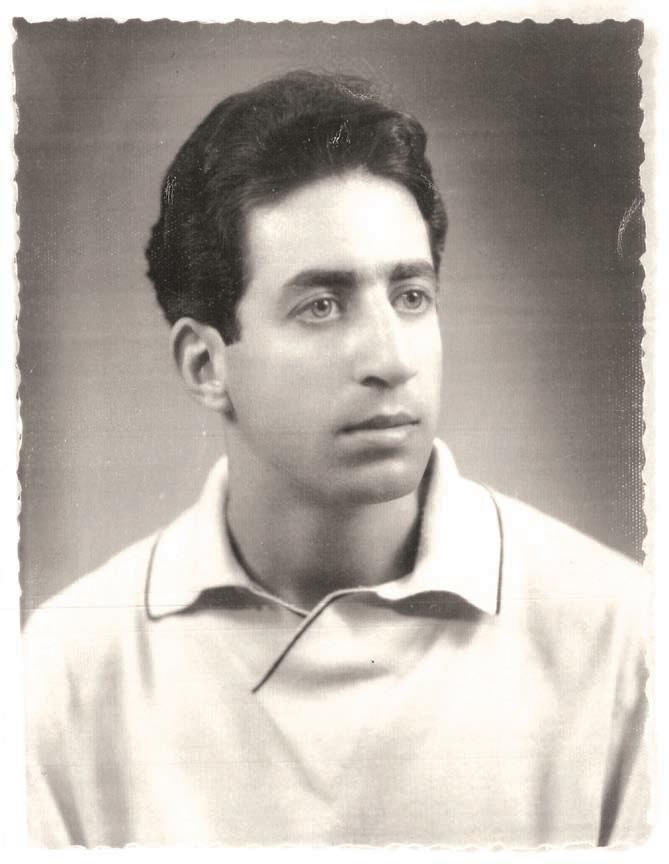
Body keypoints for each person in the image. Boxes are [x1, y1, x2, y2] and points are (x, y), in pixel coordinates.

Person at [23, 70, 652, 848]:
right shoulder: (69, 671)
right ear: (205, 365)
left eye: (410, 296)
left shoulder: (623, 641)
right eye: (320, 306)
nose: (389, 359)